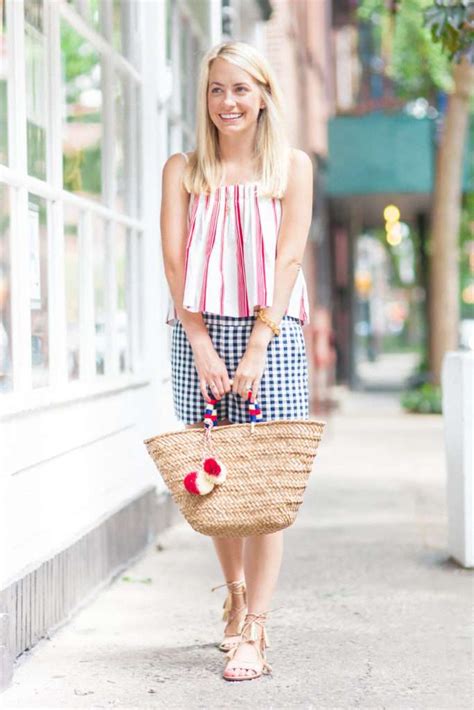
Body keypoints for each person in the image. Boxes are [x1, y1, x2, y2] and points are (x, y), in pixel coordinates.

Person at [160, 40, 313, 682]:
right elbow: (173, 261)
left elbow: (288, 259)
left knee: (266, 479)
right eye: (218, 89)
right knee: (216, 476)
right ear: (206, 98)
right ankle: (237, 594)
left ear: (264, 95)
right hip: (197, 332)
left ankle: (256, 631)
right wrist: (199, 342)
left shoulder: (292, 168)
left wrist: (256, 345)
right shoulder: (184, 170)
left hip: (271, 334)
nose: (229, 102)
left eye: (241, 89)